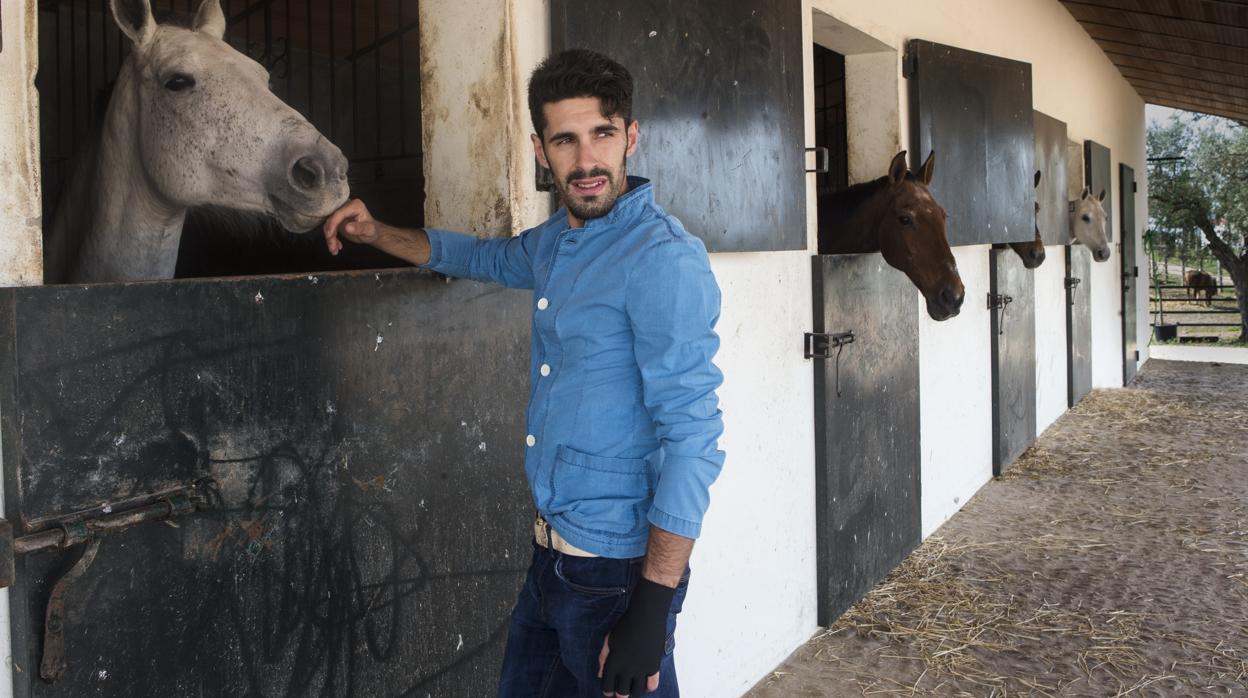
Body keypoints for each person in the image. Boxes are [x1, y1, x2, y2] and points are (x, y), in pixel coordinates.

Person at [323, 48, 724, 698]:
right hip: (551, 559)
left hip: (615, 574)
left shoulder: (661, 260)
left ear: (632, 137)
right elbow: (484, 256)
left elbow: (694, 438)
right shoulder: (558, 241)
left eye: (602, 134)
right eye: (565, 140)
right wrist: (377, 233)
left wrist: (652, 606)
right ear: (541, 150)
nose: (586, 161)